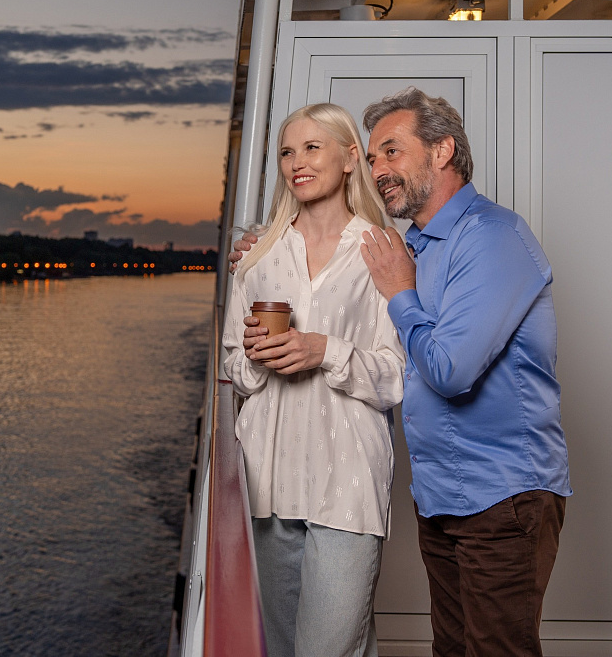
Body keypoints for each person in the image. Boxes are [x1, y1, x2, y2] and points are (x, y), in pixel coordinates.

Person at [232, 88, 570, 657]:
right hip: (441, 495)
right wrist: (260, 247)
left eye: (391, 151)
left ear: (442, 151)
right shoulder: (408, 245)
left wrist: (394, 296)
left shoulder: (491, 236)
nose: (379, 169)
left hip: (504, 492)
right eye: (373, 158)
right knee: (454, 649)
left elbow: (449, 370)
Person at [222, 102, 406, 657]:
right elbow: (232, 367)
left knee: (329, 648)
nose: (296, 162)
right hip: (268, 478)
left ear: (350, 158)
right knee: (281, 648)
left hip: (347, 480)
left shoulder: (381, 250)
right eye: (286, 152)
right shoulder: (258, 256)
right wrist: (257, 358)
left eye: (311, 148)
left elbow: (396, 375)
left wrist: (322, 350)